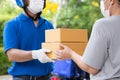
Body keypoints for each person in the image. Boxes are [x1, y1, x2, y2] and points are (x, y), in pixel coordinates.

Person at [55, 0, 120, 79]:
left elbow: (91, 68)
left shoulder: (103, 26)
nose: (102, 3)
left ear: (111, 1)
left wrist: (70, 54)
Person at [3, 0, 54, 80]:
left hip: (47, 77)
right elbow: (11, 54)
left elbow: (54, 50)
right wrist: (35, 54)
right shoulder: (12, 25)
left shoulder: (49, 25)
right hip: (22, 78)